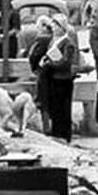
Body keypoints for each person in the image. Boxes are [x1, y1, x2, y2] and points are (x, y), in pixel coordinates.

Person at [42, 14, 80, 142]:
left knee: (63, 108)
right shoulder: (53, 41)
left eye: (56, 25)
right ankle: (56, 132)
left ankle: (64, 134)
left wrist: (50, 64)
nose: (53, 28)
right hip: (53, 78)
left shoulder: (68, 43)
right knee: (55, 107)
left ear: (62, 27)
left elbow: (65, 62)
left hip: (63, 79)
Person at [26, 15, 55, 132]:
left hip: (43, 74)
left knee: (43, 102)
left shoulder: (42, 39)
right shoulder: (54, 38)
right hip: (55, 73)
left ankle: (46, 128)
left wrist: (34, 67)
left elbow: (34, 56)